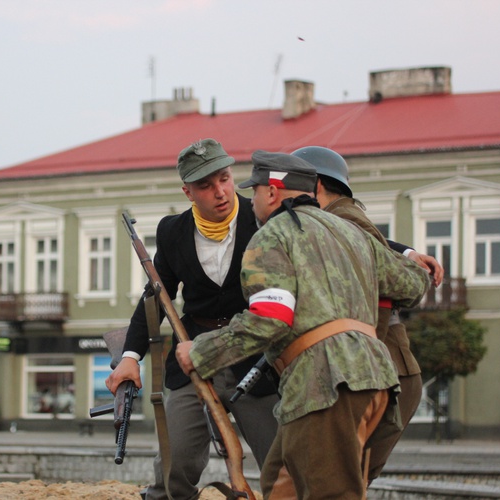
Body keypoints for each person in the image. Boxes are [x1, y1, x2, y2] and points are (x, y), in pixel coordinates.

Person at [175, 151, 430, 498]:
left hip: (325, 385)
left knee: (328, 493)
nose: (249, 203)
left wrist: (200, 351)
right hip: (376, 382)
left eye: (256, 191)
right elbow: (413, 285)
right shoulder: (351, 232)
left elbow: (269, 320)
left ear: (272, 192)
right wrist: (408, 257)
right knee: (280, 487)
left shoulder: (270, 237)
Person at [106, 138, 279, 500]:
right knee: (175, 462)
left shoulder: (265, 218)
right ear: (188, 192)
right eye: (206, 185)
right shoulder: (172, 231)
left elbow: (335, 233)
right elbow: (156, 297)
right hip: (193, 355)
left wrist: (403, 252)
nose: (220, 192)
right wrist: (129, 358)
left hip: (255, 358)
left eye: (225, 179)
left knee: (281, 466)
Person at [291, 145, 443, 482]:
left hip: (378, 373)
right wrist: (407, 251)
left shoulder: (338, 222)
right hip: (384, 370)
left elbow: (392, 293)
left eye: (291, 185)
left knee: (338, 478)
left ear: (314, 186)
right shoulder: (340, 219)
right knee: (338, 477)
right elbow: (372, 244)